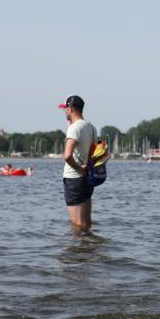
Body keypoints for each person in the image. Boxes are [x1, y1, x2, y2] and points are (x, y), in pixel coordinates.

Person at [59, 95, 97, 231]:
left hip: (74, 179)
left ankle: (77, 251)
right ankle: (88, 249)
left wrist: (79, 168)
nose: (64, 112)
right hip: (87, 179)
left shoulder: (74, 128)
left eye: (65, 109)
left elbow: (67, 156)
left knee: (77, 225)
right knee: (86, 223)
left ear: (71, 109)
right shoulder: (91, 127)